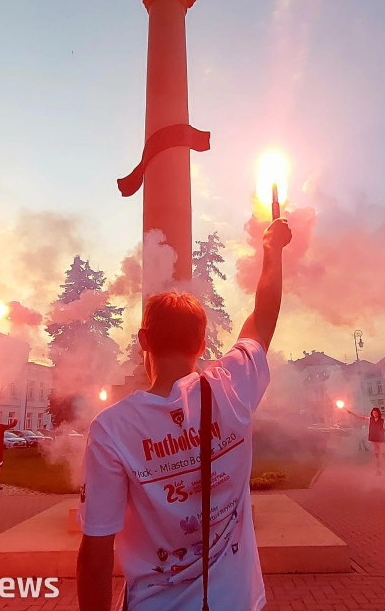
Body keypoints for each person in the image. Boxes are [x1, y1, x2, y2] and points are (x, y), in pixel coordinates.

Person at [77, 217, 292, 611]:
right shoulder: (232, 386)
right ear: (201, 342)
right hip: (235, 602)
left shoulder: (111, 430)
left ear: (144, 340)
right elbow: (263, 318)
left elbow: (96, 549)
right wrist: (272, 251)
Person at [344, 407, 385, 474]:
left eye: (376, 413)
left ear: (378, 413)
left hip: (381, 440)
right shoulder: (369, 419)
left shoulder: (382, 421)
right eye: (374, 413)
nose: (375, 414)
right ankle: (379, 470)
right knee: (376, 455)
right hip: (373, 439)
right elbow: (360, 417)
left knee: (383, 454)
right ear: (372, 413)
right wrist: (351, 413)